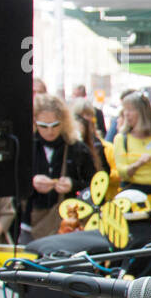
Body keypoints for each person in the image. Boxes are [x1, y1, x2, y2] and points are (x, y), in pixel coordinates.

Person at [21, 94, 95, 242]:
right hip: (31, 221)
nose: (50, 131)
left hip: (69, 225)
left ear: (63, 122)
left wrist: (73, 184)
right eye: (44, 126)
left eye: (55, 125)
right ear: (34, 122)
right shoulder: (25, 146)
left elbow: (95, 186)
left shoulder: (76, 148)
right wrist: (31, 182)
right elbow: (11, 184)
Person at [112, 92, 151, 195]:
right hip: (131, 192)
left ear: (143, 112)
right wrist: (138, 164)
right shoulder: (121, 138)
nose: (126, 114)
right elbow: (122, 173)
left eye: (131, 109)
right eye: (125, 110)